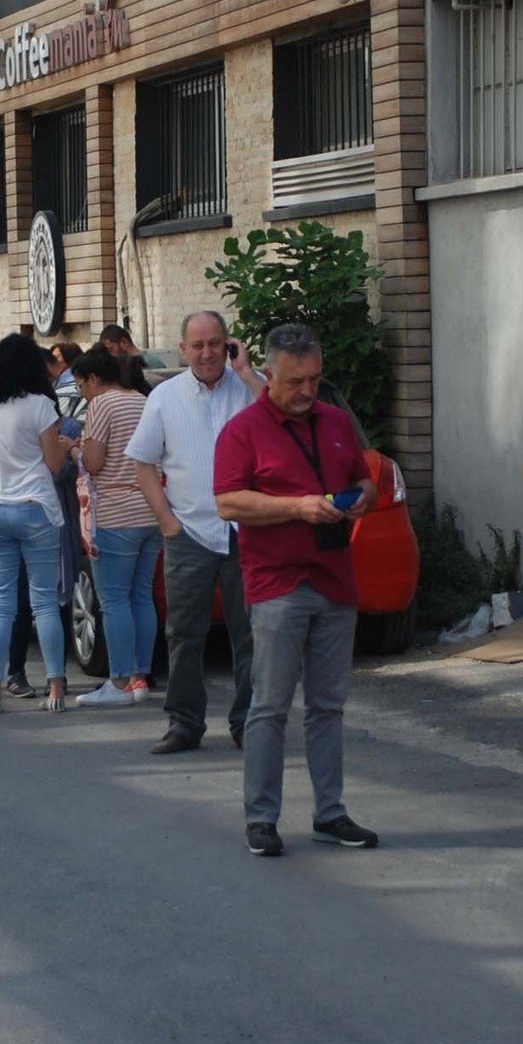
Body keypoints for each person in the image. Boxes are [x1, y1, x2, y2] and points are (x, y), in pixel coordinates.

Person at [215, 324, 380, 856]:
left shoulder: (335, 421)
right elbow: (229, 503)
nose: (307, 390)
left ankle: (330, 814)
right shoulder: (243, 430)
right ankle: (261, 818)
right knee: (270, 707)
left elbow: (366, 477)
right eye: (295, 381)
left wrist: (362, 498)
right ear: (268, 375)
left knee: (328, 706)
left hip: (335, 579)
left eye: (314, 378)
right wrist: (297, 506)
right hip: (277, 583)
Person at [126, 310, 262, 754]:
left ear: (229, 344)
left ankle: (250, 723)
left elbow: (284, 418)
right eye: (197, 345)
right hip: (189, 533)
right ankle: (184, 724)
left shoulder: (251, 386)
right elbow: (143, 463)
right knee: (184, 635)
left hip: (248, 531)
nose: (207, 353)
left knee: (252, 635)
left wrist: (246, 372)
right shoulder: (163, 398)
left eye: (215, 343)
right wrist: (168, 522)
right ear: (182, 349)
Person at [0, 333, 71, 714]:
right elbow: (54, 464)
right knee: (44, 601)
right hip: (34, 505)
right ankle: (56, 687)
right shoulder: (41, 404)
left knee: (1, 603)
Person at [72, 348, 159, 707]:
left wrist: (75, 449)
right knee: (142, 595)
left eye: (81, 386)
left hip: (116, 511)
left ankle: (120, 682)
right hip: (151, 508)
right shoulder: (141, 399)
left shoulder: (101, 405)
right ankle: (140, 677)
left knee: (113, 599)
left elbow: (93, 462)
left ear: (94, 379)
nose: (82, 394)